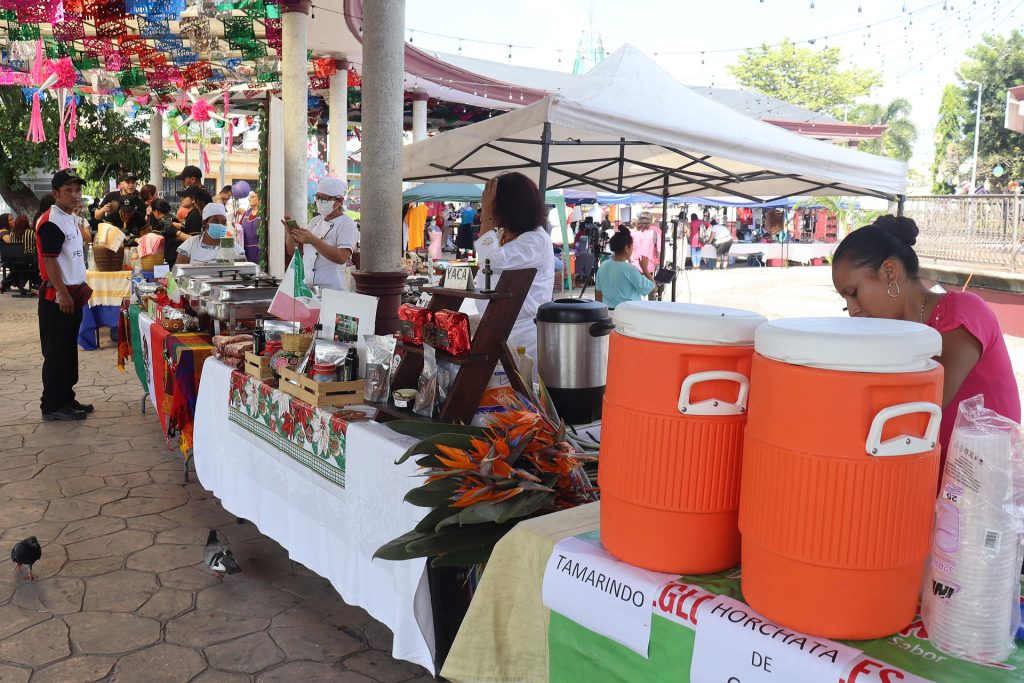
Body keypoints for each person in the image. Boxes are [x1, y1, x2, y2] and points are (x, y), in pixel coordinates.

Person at [832, 215, 1021, 467]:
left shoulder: (963, 312)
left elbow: (922, 407)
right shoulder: (897, 333)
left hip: (983, 484)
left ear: (890, 272)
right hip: (931, 479)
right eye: (846, 303)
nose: (852, 310)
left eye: (853, 294)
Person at [475, 172, 554, 363]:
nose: (490, 207)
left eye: (492, 202)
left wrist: (486, 217)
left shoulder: (535, 239)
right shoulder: (515, 235)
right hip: (503, 328)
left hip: (523, 334)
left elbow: (492, 261)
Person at [36, 169, 93, 421]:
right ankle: (52, 404)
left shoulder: (69, 217)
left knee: (68, 350)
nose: (74, 194)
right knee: (56, 352)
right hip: (58, 296)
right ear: (55, 193)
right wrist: (62, 293)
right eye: (68, 190)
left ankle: (66, 398)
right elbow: (50, 262)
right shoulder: (51, 221)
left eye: (77, 190)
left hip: (73, 293)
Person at [284, 176, 358, 291]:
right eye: (318, 197)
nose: (320, 202)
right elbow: (293, 251)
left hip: (333, 289)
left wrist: (313, 240)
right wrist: (290, 234)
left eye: (325, 198)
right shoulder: (314, 222)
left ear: (339, 201)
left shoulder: (347, 224)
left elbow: (342, 257)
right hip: (309, 288)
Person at [595, 226, 655, 310]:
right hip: (628, 314)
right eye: (631, 247)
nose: (632, 250)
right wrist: (645, 269)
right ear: (626, 248)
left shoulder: (603, 266)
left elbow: (598, 294)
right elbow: (653, 289)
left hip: (608, 312)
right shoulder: (629, 269)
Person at [175, 203, 244, 265]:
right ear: (204, 223)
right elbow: (178, 274)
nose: (220, 225)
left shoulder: (231, 245)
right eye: (215, 221)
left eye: (223, 222)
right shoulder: (190, 244)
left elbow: (244, 269)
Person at [238, 192, 261, 264]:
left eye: (252, 197)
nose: (249, 199)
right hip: (245, 250)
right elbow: (239, 228)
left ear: (260, 199)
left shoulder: (263, 213)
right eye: (249, 197)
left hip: (258, 251)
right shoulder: (246, 213)